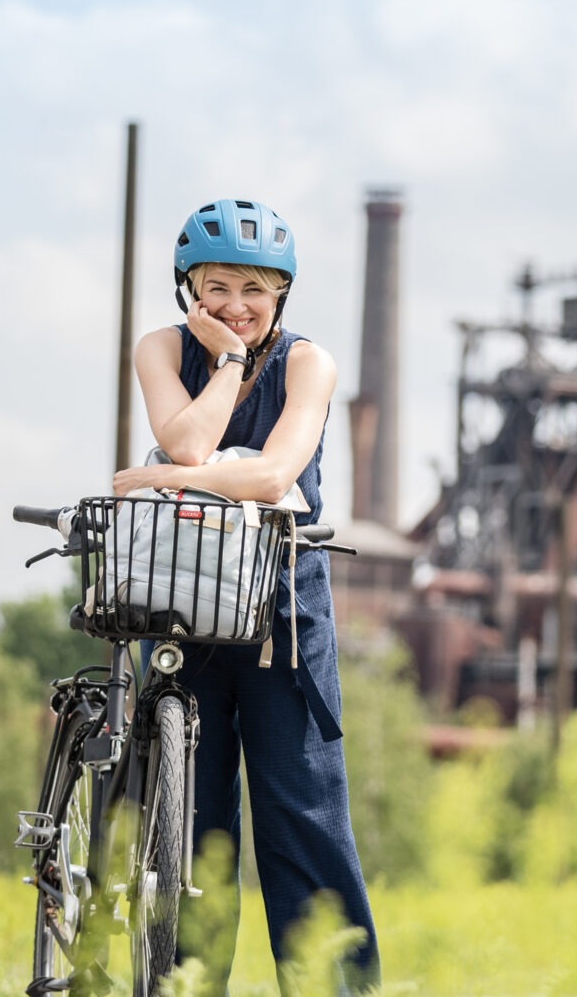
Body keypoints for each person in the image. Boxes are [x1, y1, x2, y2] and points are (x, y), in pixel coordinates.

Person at [111, 198, 377, 992]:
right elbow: (192, 438)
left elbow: (271, 477)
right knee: (192, 831)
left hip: (281, 618)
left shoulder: (308, 363)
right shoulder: (161, 347)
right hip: (183, 604)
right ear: (187, 286)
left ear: (282, 297)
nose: (236, 306)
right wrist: (226, 361)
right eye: (217, 287)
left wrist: (165, 477)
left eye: (255, 291)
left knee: (302, 821)